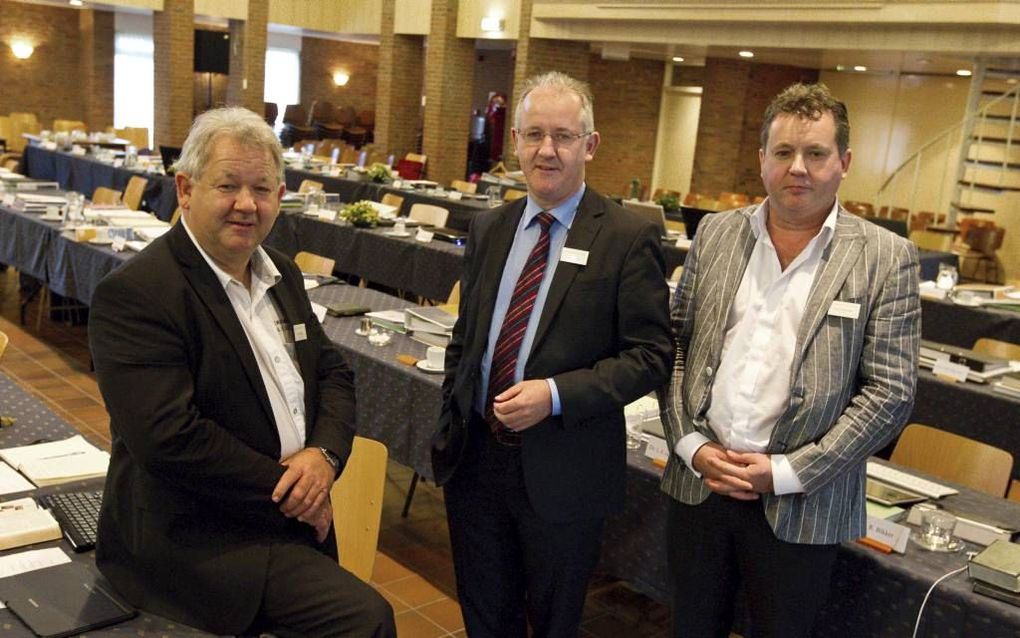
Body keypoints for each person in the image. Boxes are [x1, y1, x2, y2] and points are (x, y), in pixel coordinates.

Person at [88, 107, 395, 638]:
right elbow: (168, 439)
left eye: (263, 188)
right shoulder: (138, 293)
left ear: (280, 194)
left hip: (288, 515)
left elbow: (334, 372)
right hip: (199, 533)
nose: (247, 205)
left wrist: (322, 459)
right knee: (366, 621)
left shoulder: (282, 273)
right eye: (228, 185)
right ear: (185, 189)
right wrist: (294, 491)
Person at [661, 82, 921, 637]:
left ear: (844, 162)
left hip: (804, 504)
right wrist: (691, 444)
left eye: (816, 153)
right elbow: (676, 346)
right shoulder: (716, 232)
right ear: (761, 161)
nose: (797, 168)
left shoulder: (887, 258)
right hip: (701, 485)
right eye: (783, 153)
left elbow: (890, 394)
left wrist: (786, 472)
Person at [431, 71, 673, 637]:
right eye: (534, 134)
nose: (547, 150)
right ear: (513, 141)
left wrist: (557, 395)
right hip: (477, 461)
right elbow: (467, 338)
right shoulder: (491, 227)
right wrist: (454, 411)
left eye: (563, 136)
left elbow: (651, 355)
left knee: (553, 621)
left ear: (589, 146)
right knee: (484, 615)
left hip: (565, 469)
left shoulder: (626, 237)